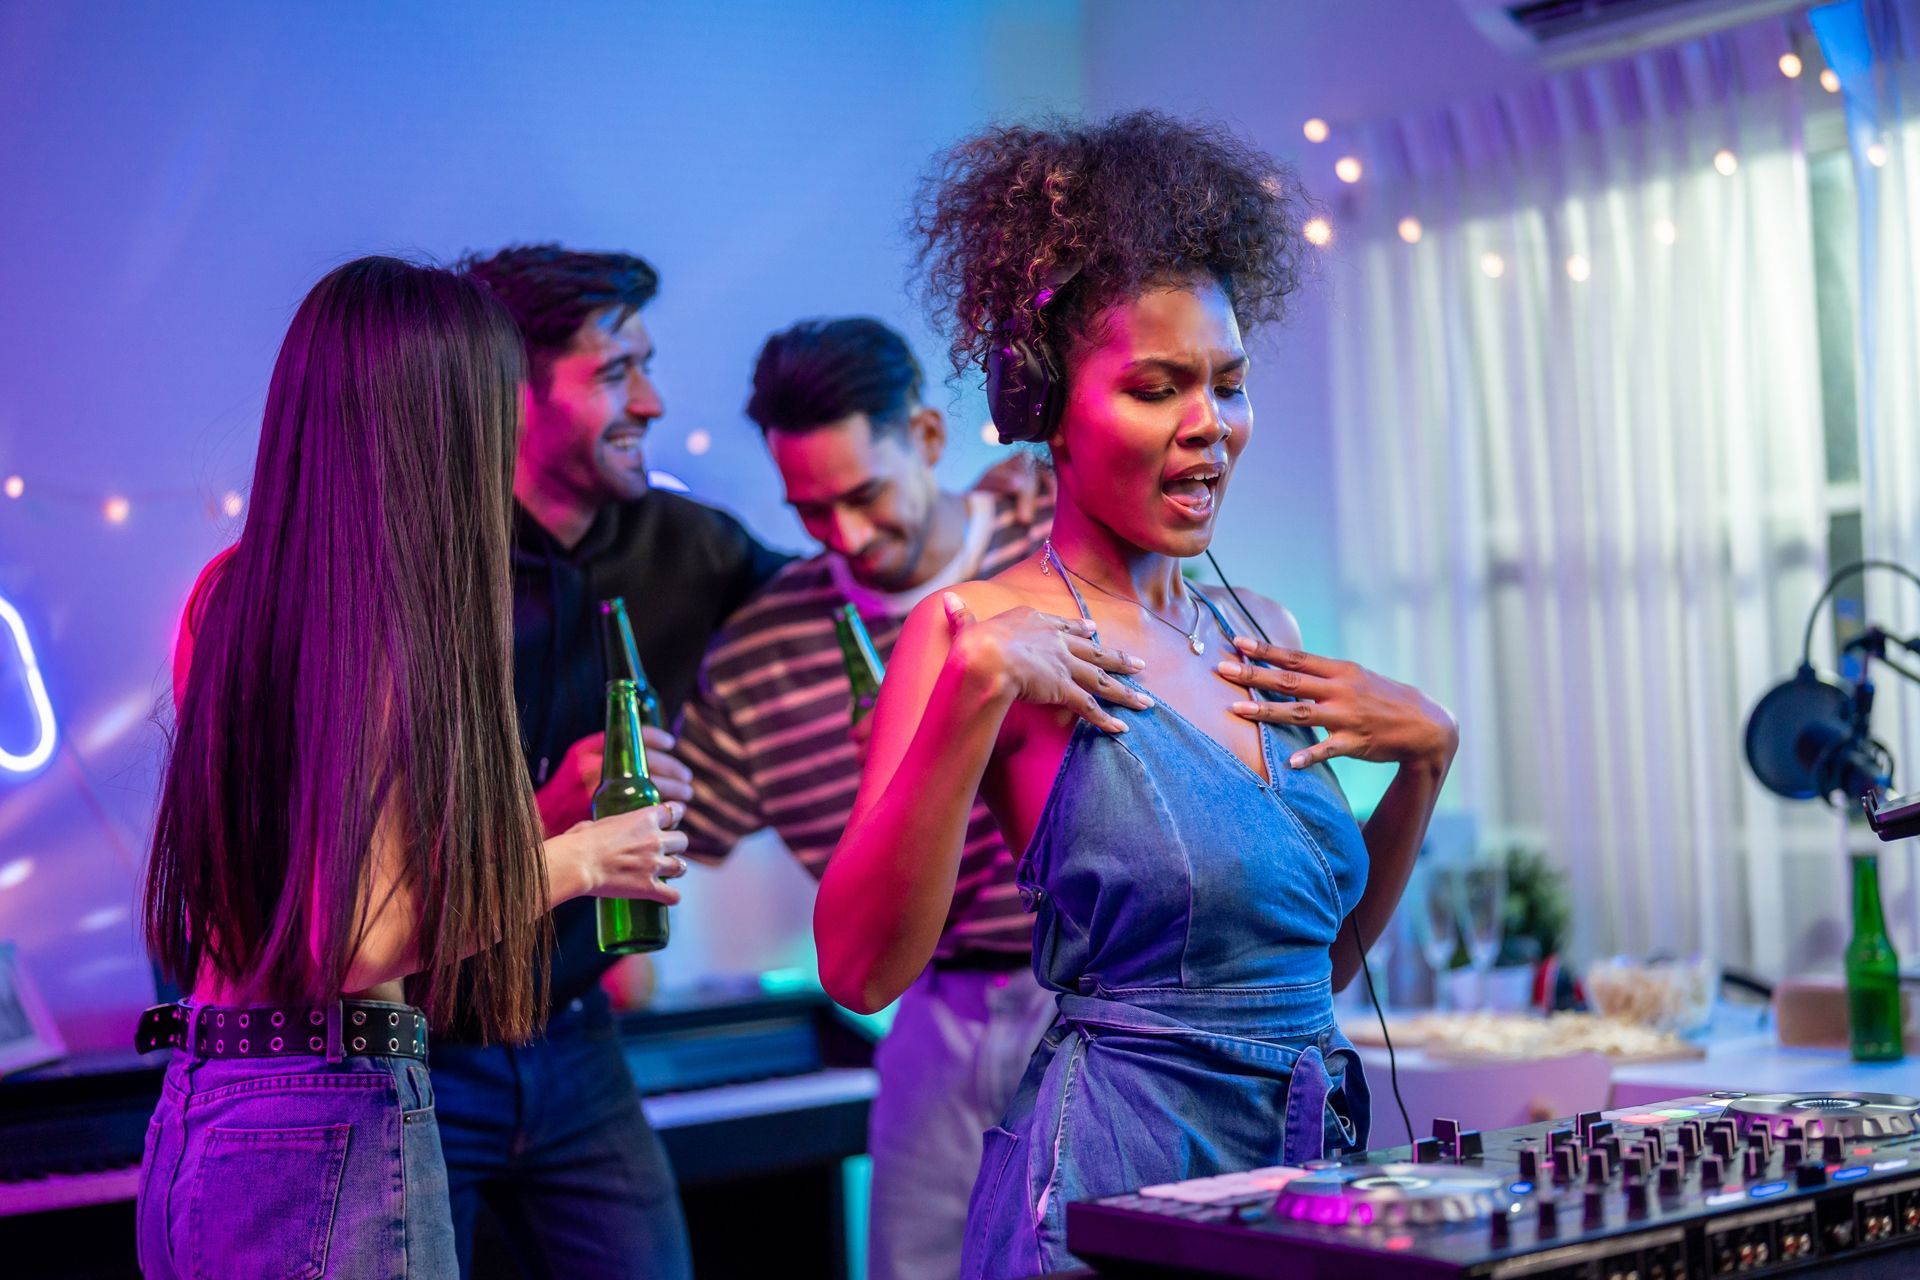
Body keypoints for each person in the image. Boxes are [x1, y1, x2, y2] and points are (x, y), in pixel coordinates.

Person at [814, 113, 1459, 1279]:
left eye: (1228, 382)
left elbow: (1309, 970)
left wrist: (1425, 764)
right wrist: (966, 695)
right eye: (1159, 388)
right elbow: (859, 969)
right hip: (1110, 1191)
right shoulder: (973, 632)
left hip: (1299, 1179)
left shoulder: (1264, 629)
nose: (1209, 425)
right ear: (1050, 407)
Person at [139, 257, 689, 1279]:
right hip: (335, 1115)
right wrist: (579, 857)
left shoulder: (227, 592)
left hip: (208, 1100)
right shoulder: (383, 623)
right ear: (440, 425)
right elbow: (361, 938)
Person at [676, 316, 1055, 1280]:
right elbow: (675, 832)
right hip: (925, 1011)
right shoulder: (763, 652)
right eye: (810, 510)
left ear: (928, 438)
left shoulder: (1055, 549)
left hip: (1093, 1003)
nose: (846, 536)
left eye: (864, 495)